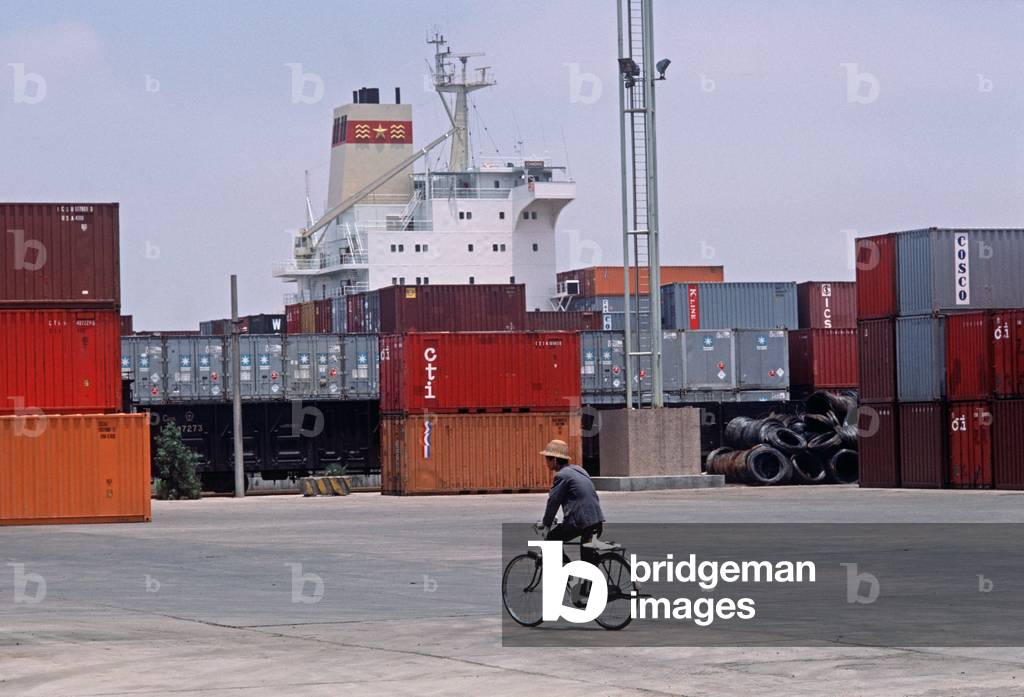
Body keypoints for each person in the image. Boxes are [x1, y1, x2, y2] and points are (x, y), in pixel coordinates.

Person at [538, 439, 605, 567]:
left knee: (551, 540)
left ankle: (568, 573)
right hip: (597, 520)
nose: (546, 462)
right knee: (588, 559)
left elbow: (553, 501)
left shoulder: (562, 476)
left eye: (547, 458)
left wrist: (546, 523)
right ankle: (581, 580)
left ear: (555, 460)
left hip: (581, 523)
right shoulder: (579, 470)